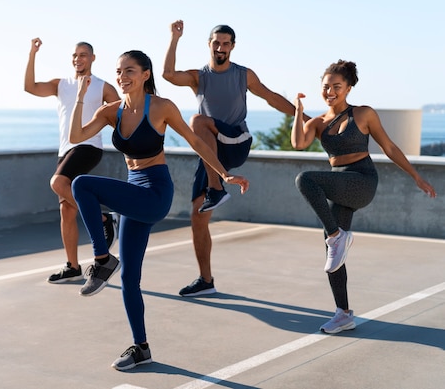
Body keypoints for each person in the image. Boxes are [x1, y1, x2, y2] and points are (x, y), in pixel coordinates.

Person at [69, 50, 249, 370]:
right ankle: (141, 347)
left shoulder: (162, 107)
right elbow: (76, 136)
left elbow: (195, 140)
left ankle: (101, 258)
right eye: (119, 71)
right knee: (130, 279)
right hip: (132, 191)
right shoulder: (112, 111)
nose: (122, 77)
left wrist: (223, 175)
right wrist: (81, 97)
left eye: (130, 71)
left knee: (82, 184)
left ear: (145, 74)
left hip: (154, 192)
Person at [291, 59, 437, 333]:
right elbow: (298, 143)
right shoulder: (318, 122)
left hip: (361, 181)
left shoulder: (363, 113)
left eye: (337, 86)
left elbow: (390, 147)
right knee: (331, 253)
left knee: (306, 180)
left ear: (348, 88)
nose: (330, 91)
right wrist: (299, 111)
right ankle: (343, 313)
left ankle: (337, 236)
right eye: (326, 87)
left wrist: (416, 177)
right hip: (340, 182)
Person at [163, 20, 303, 297]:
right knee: (197, 216)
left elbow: (271, 98)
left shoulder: (243, 74)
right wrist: (174, 37)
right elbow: (167, 74)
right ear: (209, 45)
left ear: (233, 47)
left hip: (237, 140)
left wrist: (305, 118)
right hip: (212, 153)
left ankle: (217, 188)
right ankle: (206, 280)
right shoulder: (198, 76)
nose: (221, 47)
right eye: (216, 42)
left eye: (226, 43)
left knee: (197, 121)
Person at [24, 38, 120, 284]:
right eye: (75, 55)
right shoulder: (61, 85)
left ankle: (102, 218)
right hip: (65, 150)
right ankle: (73, 266)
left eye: (83, 55)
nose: (78, 59)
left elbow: (122, 113)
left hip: (88, 146)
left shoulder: (103, 87)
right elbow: (30, 87)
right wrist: (32, 53)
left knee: (57, 182)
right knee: (66, 210)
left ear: (93, 58)